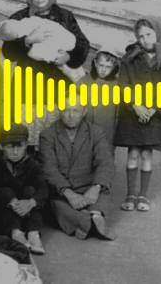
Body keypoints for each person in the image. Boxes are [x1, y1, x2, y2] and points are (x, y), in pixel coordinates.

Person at [0, 0, 90, 147]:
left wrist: (69, 57)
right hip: (27, 88)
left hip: (57, 88)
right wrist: (27, 41)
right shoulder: (19, 17)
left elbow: (83, 44)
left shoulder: (65, 16)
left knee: (55, 142)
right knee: (26, 139)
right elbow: (7, 51)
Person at [114, 16, 161, 212]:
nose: (145, 40)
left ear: (158, 33)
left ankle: (143, 194)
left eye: (149, 35)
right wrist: (135, 105)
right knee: (132, 152)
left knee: (146, 154)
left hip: (154, 113)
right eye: (140, 36)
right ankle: (130, 194)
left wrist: (153, 109)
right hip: (132, 112)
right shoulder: (129, 57)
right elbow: (123, 84)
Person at [39, 95, 117, 241]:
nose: (70, 115)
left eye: (76, 110)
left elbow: (106, 162)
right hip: (61, 193)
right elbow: (49, 169)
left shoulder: (95, 132)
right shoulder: (48, 135)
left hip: (89, 188)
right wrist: (69, 194)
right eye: (66, 110)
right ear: (59, 110)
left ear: (84, 111)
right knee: (56, 207)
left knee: (104, 193)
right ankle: (90, 221)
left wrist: (95, 188)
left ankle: (89, 219)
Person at [0, 123, 47, 254]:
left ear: (27, 143)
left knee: (31, 190)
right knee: (6, 191)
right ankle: (16, 232)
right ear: (0, 145)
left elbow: (43, 188)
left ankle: (33, 233)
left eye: (20, 146)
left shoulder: (33, 164)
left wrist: (31, 202)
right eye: (9, 147)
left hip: (26, 211)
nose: (15, 152)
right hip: (1, 213)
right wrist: (11, 201)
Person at [80, 44, 124, 146]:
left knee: (104, 156)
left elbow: (118, 113)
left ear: (114, 67)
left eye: (108, 67)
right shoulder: (84, 81)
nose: (104, 70)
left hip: (107, 131)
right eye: (101, 65)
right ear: (95, 63)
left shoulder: (117, 85)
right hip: (85, 129)